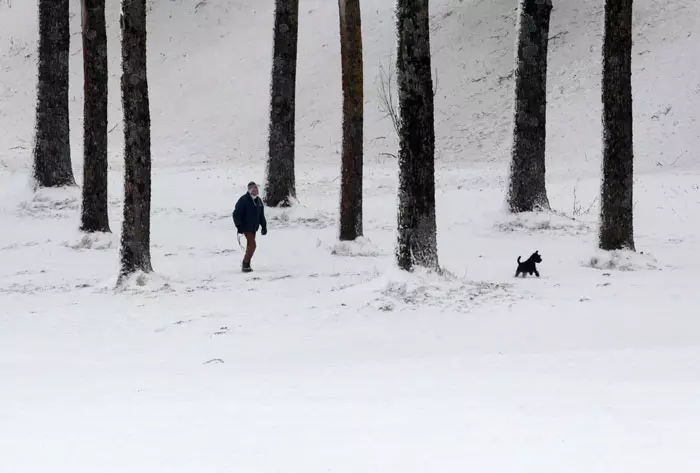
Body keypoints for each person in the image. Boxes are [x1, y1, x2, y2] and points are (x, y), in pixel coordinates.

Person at [232, 181, 268, 272]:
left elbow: (261, 215)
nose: (256, 190)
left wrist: (264, 226)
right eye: (254, 189)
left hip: (254, 227)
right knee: (253, 245)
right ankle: (245, 263)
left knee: (250, 246)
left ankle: (247, 265)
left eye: (257, 188)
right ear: (250, 190)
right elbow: (236, 214)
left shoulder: (259, 201)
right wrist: (239, 226)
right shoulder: (243, 200)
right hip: (245, 227)